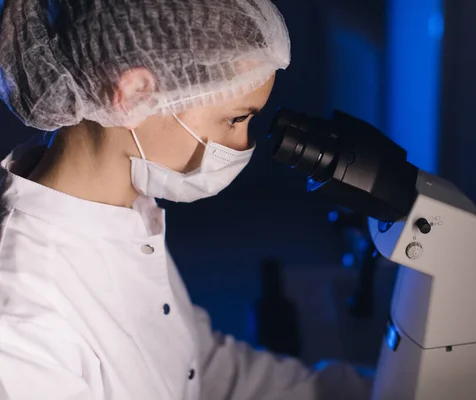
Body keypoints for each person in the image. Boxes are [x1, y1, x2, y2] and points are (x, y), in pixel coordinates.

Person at [0, 0, 373, 399]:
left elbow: (200, 366)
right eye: (235, 118)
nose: (244, 143)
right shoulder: (22, 318)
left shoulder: (128, 211)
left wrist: (358, 391)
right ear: (131, 97)